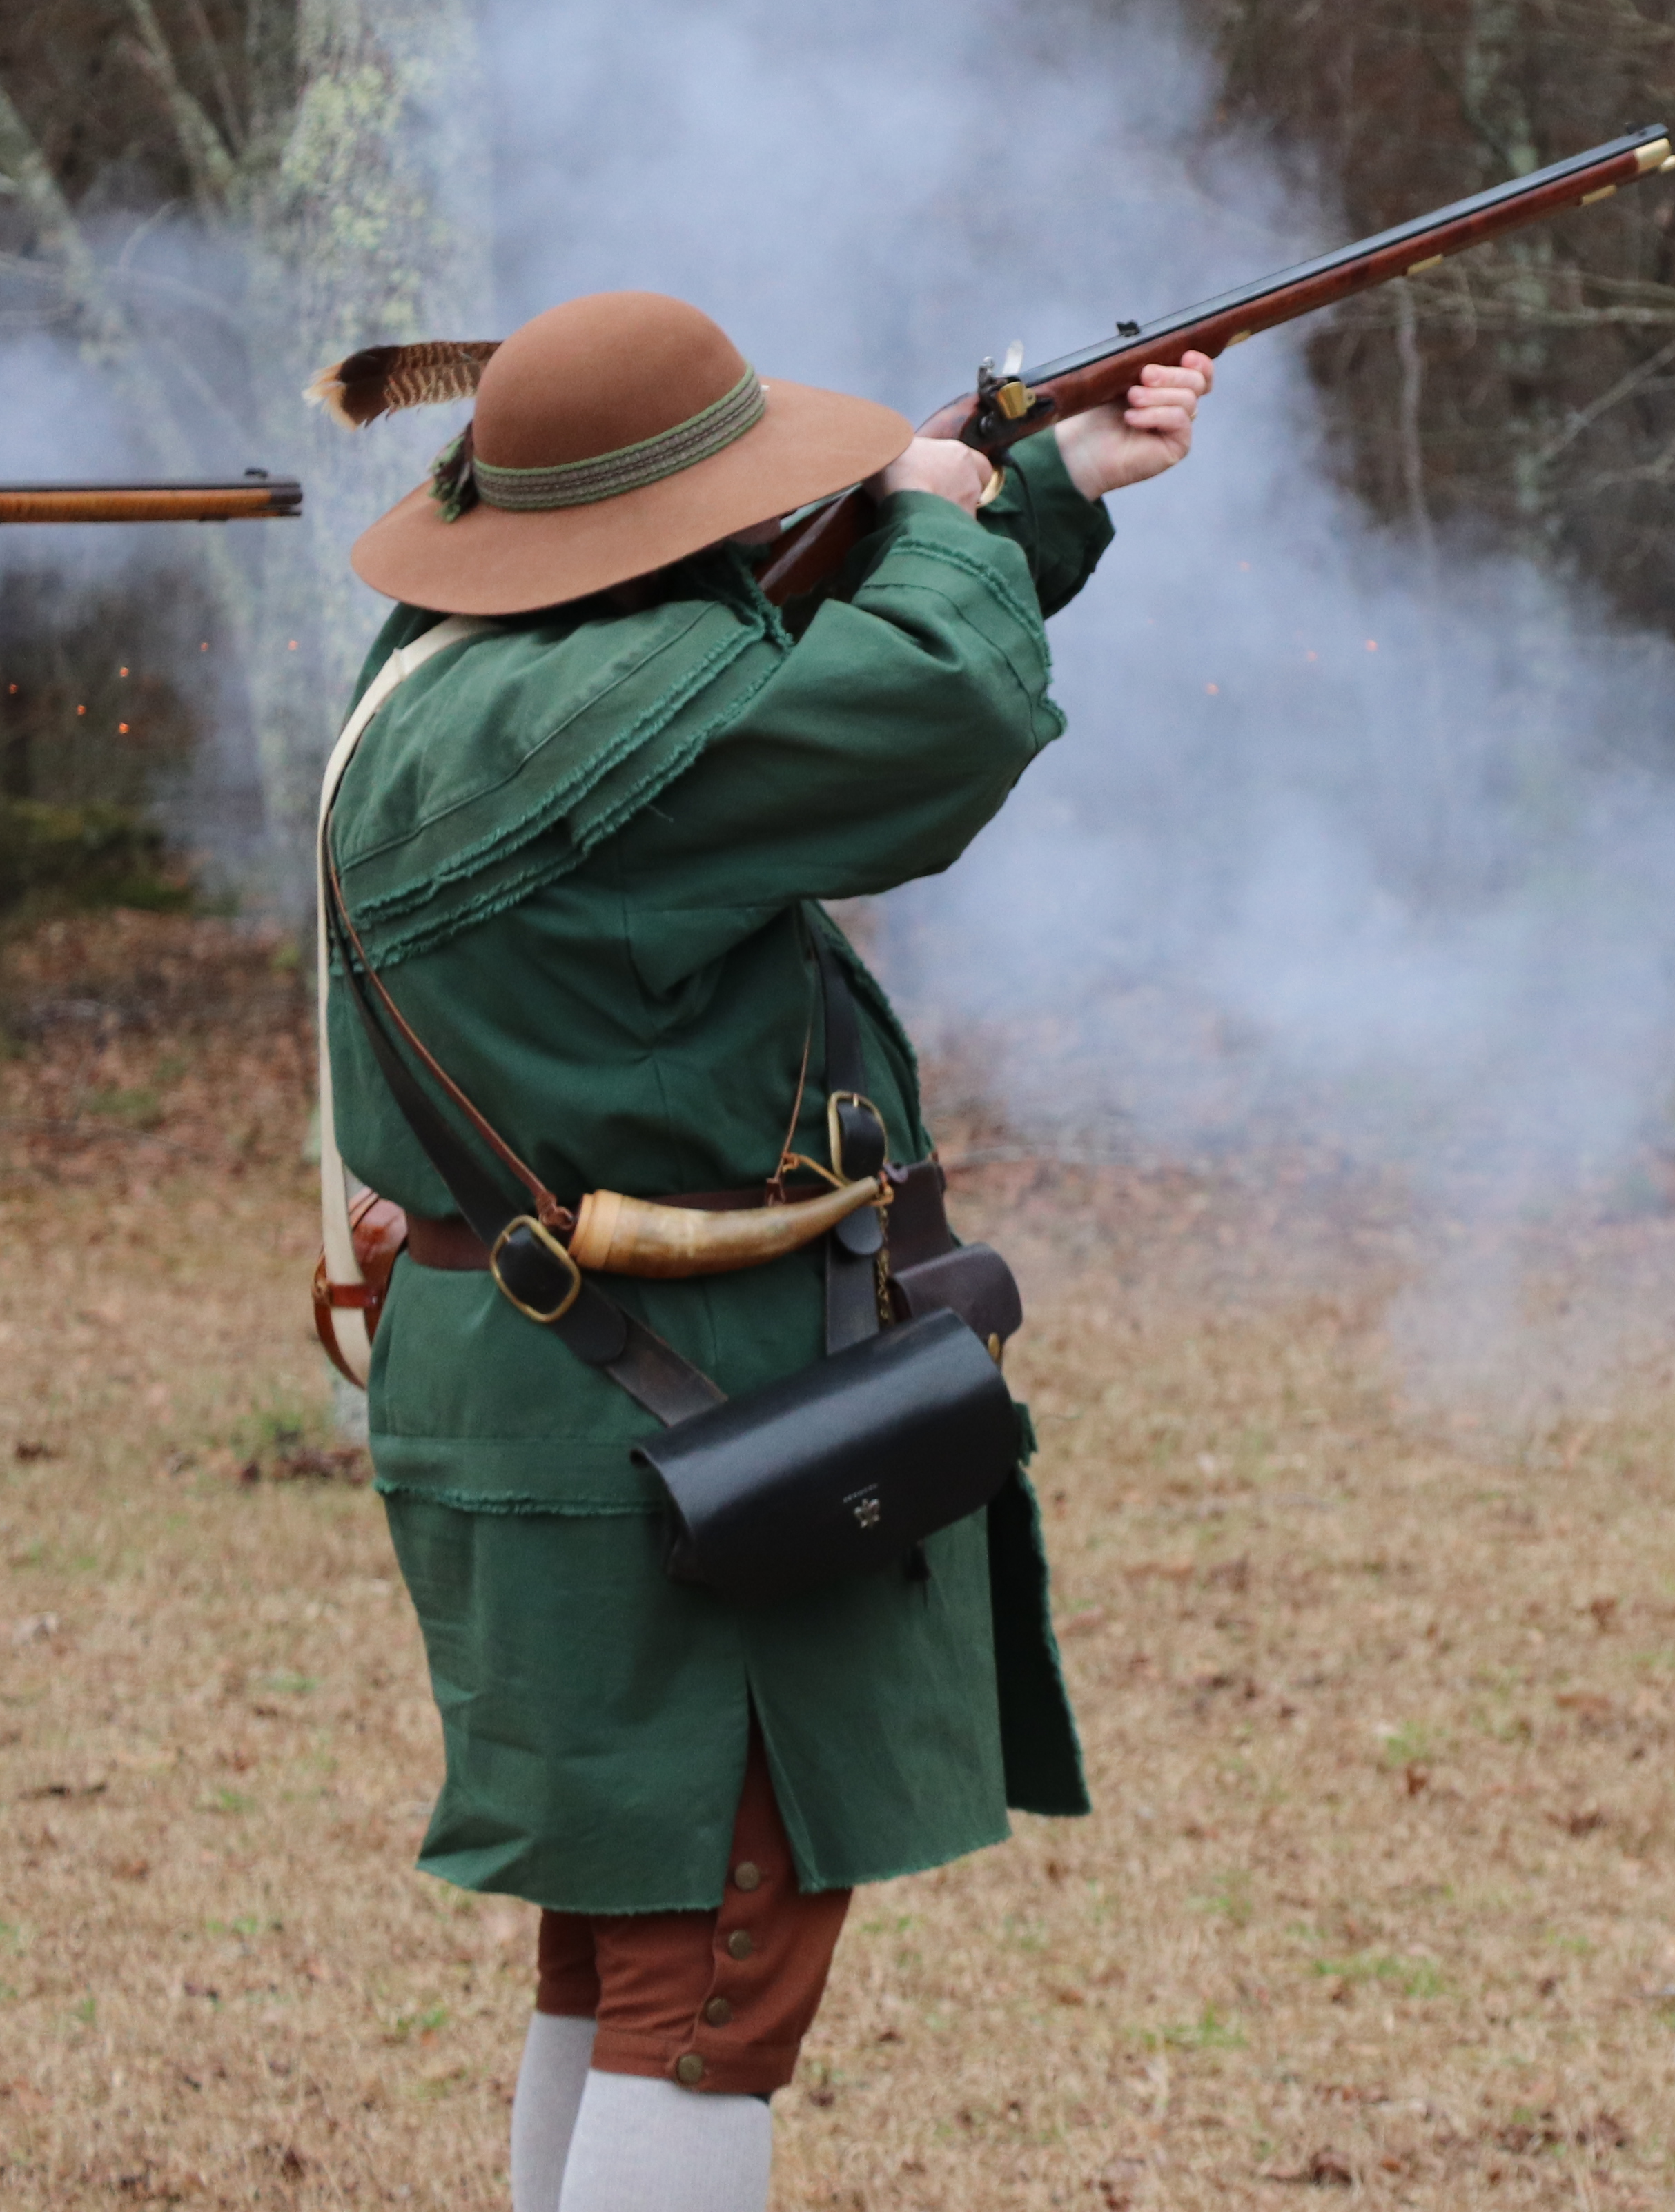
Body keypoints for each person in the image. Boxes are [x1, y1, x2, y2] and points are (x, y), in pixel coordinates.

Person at [308, 290, 1213, 2212]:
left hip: (537, 1384)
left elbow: (761, 706)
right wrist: (952, 521)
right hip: (652, 1391)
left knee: (634, 1927)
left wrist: (1035, 490)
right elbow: (924, 709)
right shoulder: (589, 714)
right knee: (713, 1963)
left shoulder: (460, 668)